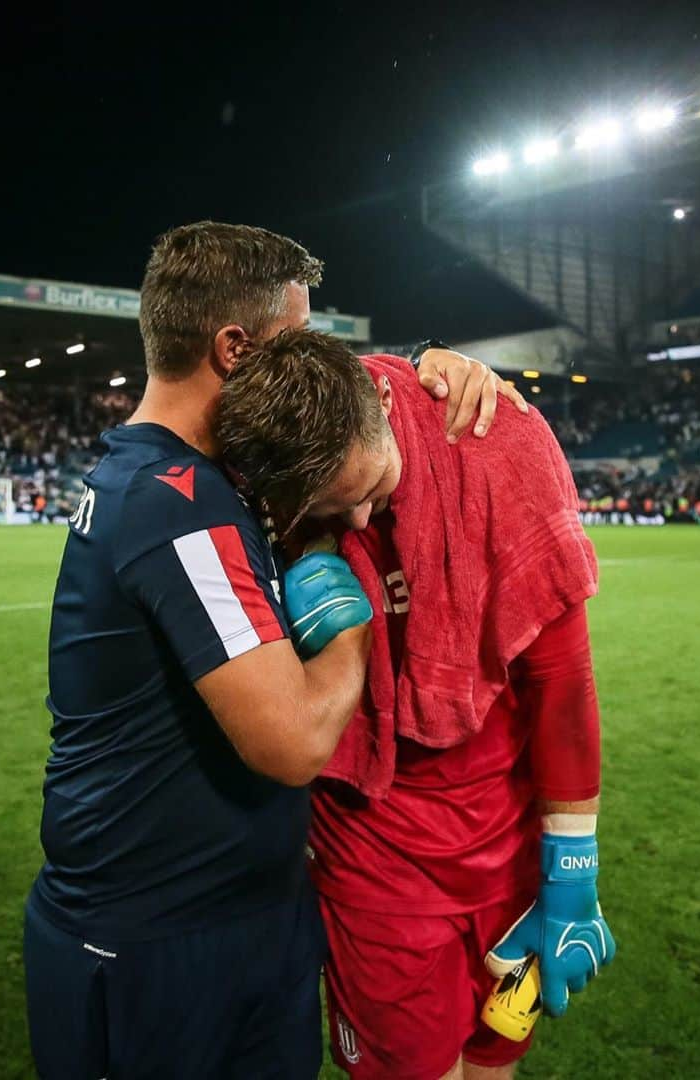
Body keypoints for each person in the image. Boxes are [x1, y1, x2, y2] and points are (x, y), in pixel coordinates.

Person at [24, 221, 524, 1080]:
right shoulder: (175, 502)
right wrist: (349, 618)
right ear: (233, 346)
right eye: (300, 337)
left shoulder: (200, 481)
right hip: (157, 943)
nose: (325, 364)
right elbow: (291, 740)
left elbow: (351, 414)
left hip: (242, 919)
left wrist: (436, 361)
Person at [218, 330, 615, 1080]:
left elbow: (564, 683)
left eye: (371, 489)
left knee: (494, 1059)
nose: (363, 523)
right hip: (375, 849)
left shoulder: (503, 444)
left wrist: (573, 877)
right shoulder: (260, 479)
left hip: (507, 840)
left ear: (385, 402)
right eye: (339, 511)